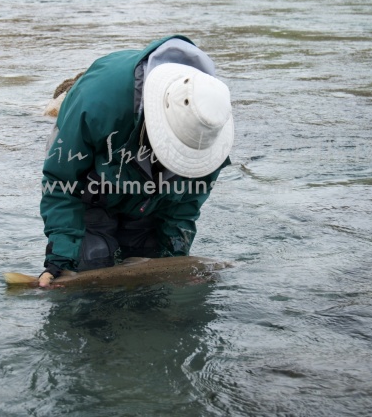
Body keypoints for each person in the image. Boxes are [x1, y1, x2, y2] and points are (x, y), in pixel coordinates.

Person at [38, 35, 234, 288]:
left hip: (151, 199)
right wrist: (60, 260)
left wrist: (174, 262)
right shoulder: (96, 102)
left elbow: (184, 207)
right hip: (94, 187)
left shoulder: (208, 121)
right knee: (93, 258)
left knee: (151, 283)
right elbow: (61, 182)